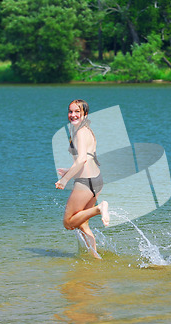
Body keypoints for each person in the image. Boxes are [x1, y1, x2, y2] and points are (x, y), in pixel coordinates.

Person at [55, 99, 110, 259]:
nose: (73, 115)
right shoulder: (85, 130)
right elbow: (88, 158)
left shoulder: (80, 132)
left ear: (85, 114)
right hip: (96, 180)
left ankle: (99, 209)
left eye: (77, 112)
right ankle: (95, 256)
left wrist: (64, 180)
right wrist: (68, 170)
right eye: (70, 111)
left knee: (69, 223)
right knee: (81, 222)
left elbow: (81, 160)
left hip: (86, 183)